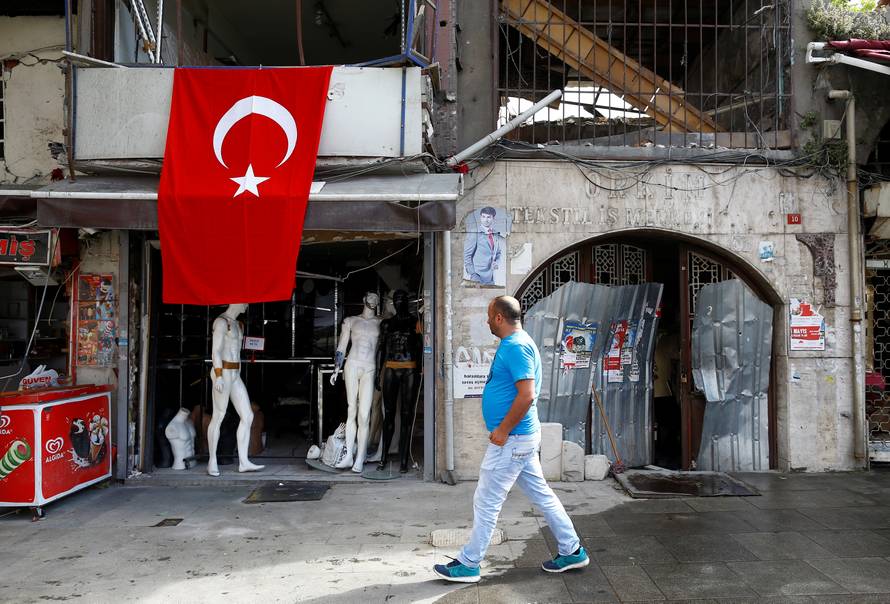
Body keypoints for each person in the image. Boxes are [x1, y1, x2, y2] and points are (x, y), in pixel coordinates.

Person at [434, 296, 588, 583]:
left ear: (500, 318)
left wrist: (503, 430)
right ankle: (572, 550)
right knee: (542, 495)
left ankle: (469, 563)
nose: (487, 321)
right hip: (520, 439)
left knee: (486, 500)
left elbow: (527, 394)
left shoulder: (516, 346)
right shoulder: (516, 343)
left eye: (489, 316)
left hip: (513, 439)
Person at [207, 303, 264, 477]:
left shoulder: (239, 324)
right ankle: (212, 461)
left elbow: (237, 351)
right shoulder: (221, 322)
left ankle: (244, 461)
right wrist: (217, 375)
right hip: (222, 371)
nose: (247, 305)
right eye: (245, 301)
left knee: (247, 415)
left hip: (235, 374)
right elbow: (215, 351)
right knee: (219, 416)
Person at [329, 292, 382, 472]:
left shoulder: (381, 323)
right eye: (371, 297)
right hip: (352, 364)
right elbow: (342, 346)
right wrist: (336, 368)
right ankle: (349, 456)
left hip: (370, 367)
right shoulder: (351, 321)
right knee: (352, 410)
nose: (373, 300)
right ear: (364, 299)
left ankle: (360, 457)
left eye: (376, 298)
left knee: (365, 414)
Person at [463, 207, 502, 285]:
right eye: (483, 217)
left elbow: (498, 253)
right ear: (480, 217)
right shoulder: (474, 232)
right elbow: (467, 255)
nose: (485, 220)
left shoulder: (495, 233)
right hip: (477, 278)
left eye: (488, 217)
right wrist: (473, 274)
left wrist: (496, 263)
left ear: (493, 218)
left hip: (490, 278)